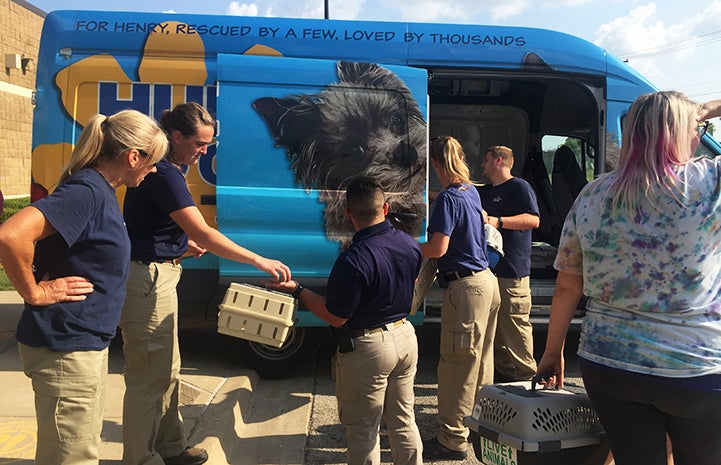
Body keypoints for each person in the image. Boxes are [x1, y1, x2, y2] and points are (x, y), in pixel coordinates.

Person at [536, 91, 721, 465]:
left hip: (608, 363)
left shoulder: (593, 194)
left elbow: (568, 285)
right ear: (685, 131)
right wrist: (703, 110)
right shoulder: (708, 183)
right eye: (697, 129)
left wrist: (552, 351)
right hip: (694, 367)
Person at [120, 102, 291, 465]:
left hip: (159, 275)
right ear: (176, 136)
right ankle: (139, 458)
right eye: (199, 144)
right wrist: (258, 260)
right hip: (147, 282)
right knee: (148, 378)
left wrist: (181, 245)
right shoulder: (163, 173)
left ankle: (169, 447)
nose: (204, 151)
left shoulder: (168, 171)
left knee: (166, 372)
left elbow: (156, 227)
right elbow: (204, 232)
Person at [0, 110, 167, 465]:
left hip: (80, 343)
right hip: (66, 348)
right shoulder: (87, 190)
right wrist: (35, 291)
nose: (154, 170)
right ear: (133, 156)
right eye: (152, 161)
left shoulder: (98, 189)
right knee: (71, 458)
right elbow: (11, 236)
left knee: (78, 452)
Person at [266, 175, 423, 465]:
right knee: (403, 421)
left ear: (347, 213)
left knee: (364, 431)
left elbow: (336, 316)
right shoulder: (408, 243)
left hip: (369, 348)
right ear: (385, 208)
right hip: (405, 336)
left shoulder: (354, 259)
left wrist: (299, 291)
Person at [420, 136, 500, 461]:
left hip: (465, 289)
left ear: (437, 165)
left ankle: (451, 441)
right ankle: (478, 428)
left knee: (456, 367)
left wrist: (406, 245)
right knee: (481, 364)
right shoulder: (470, 191)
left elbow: (438, 248)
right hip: (487, 284)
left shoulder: (448, 200)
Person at [478, 145, 540, 382]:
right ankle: (505, 379)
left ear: (499, 161)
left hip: (513, 272)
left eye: (486, 159)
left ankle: (529, 380)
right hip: (490, 272)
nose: (482, 164)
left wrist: (498, 221)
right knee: (496, 330)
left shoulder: (519, 187)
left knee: (515, 326)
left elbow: (533, 220)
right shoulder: (485, 192)